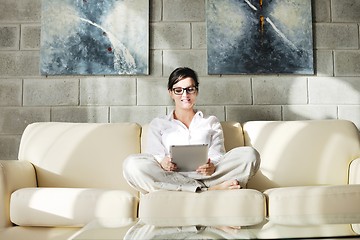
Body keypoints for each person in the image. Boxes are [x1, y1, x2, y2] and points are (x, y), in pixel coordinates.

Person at [123, 67, 260, 194]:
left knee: (250, 155)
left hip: (209, 176)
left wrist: (211, 166)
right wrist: (163, 163)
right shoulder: (158, 124)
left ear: (197, 91)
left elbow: (218, 155)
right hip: (172, 178)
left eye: (190, 89)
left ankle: (193, 189)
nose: (185, 94)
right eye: (178, 90)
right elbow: (154, 156)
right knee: (132, 164)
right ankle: (206, 191)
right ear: (170, 93)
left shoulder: (210, 121)